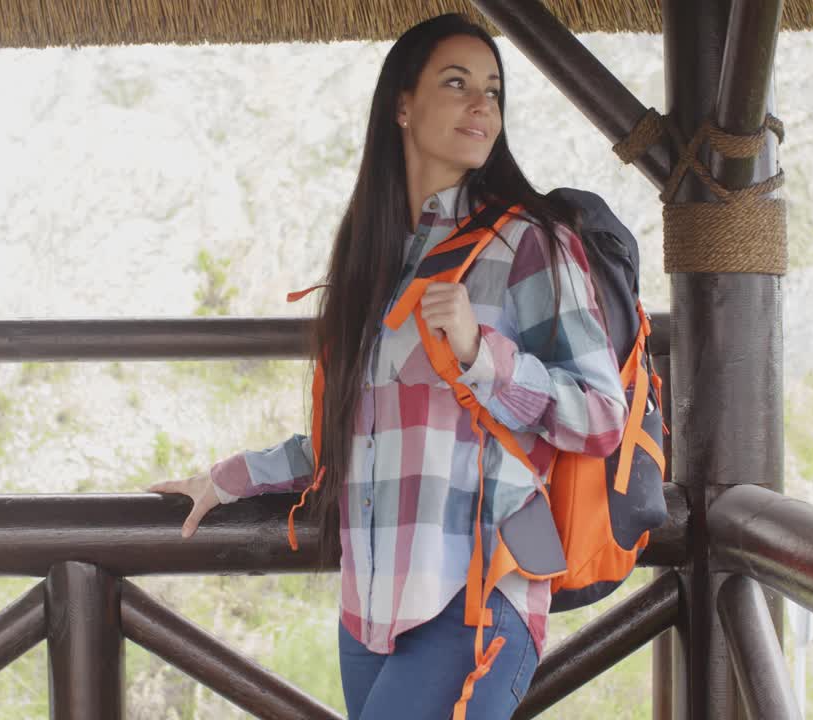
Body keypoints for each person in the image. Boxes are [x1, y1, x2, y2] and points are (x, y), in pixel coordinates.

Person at [148, 13, 627, 719]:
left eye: (493, 91)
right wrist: (228, 479)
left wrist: (480, 354)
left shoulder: (531, 243)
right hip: (366, 614)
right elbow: (357, 435)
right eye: (457, 83)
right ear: (402, 104)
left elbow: (601, 416)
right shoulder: (374, 262)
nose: (481, 106)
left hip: (475, 601)